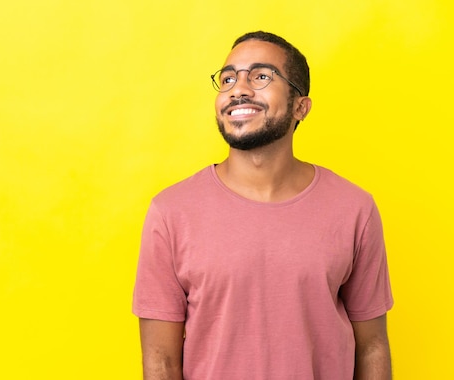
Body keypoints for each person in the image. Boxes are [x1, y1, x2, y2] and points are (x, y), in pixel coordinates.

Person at [132, 31, 394, 379]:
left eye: (261, 76)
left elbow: (373, 345)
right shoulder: (170, 213)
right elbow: (161, 361)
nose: (238, 88)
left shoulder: (354, 208)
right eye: (228, 78)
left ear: (301, 106)